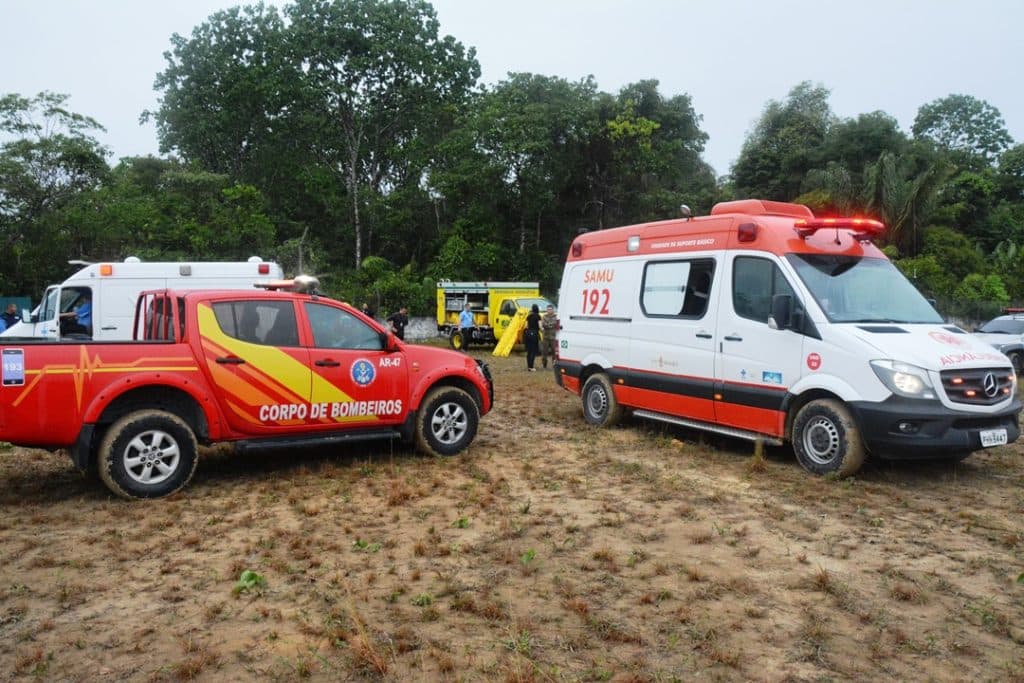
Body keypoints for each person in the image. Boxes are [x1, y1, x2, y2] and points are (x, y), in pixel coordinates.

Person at [540, 303, 559, 369]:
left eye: (550, 309)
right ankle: (544, 364)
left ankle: (554, 364)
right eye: (548, 309)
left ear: (553, 310)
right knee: (544, 352)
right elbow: (543, 324)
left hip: (553, 337)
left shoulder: (556, 316)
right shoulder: (544, 316)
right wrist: (550, 325)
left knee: (554, 352)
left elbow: (555, 323)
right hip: (546, 336)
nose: (549, 311)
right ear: (547, 310)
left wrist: (548, 325)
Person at [524, 303, 541, 371]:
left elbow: (526, 326)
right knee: (533, 351)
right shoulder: (538, 316)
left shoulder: (528, 316)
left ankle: (529, 366)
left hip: (528, 334)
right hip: (534, 334)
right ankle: (531, 367)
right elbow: (540, 326)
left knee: (529, 351)